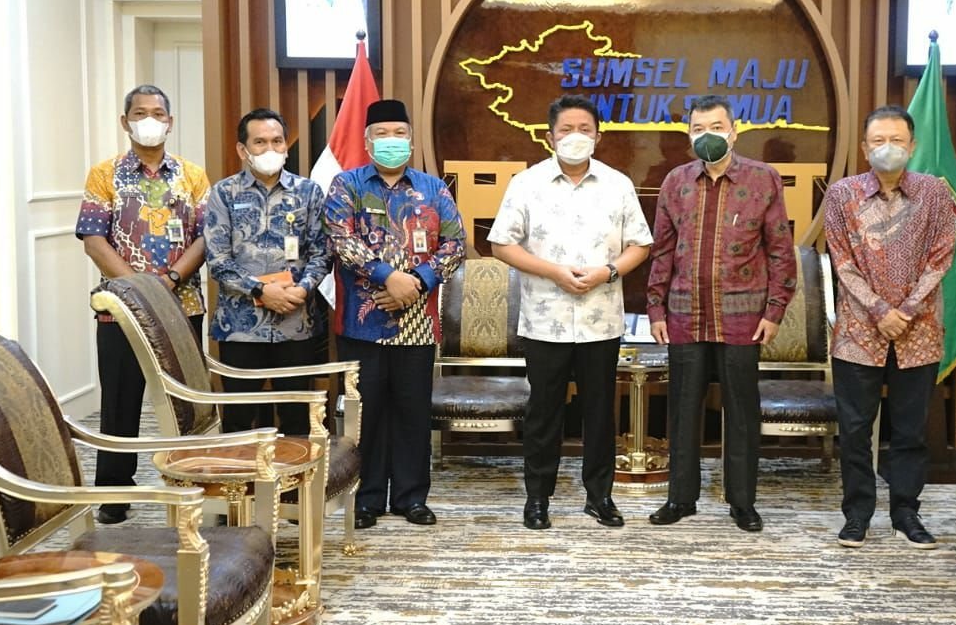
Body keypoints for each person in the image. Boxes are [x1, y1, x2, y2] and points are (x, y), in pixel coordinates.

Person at [490, 94, 652, 530]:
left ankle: (599, 496)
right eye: (566, 130)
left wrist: (608, 271)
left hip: (602, 319)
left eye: (584, 129)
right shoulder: (527, 183)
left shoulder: (618, 184)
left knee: (600, 413)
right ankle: (537, 498)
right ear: (550, 136)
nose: (575, 136)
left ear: (598, 136)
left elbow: (640, 244)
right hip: (545, 319)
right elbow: (501, 243)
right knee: (543, 413)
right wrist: (554, 272)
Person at [646, 94, 795, 533]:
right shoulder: (675, 181)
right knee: (682, 409)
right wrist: (655, 308)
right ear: (688, 134)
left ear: (734, 131)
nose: (707, 135)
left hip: (743, 316)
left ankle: (742, 502)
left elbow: (780, 251)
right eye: (698, 129)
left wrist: (776, 309)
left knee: (742, 411)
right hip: (683, 314)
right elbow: (662, 250)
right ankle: (681, 498)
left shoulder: (763, 179)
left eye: (716, 127)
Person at [324, 99, 465, 527]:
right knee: (366, 414)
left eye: (399, 133)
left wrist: (415, 283)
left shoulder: (434, 189)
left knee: (412, 411)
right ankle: (366, 499)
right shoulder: (347, 185)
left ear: (411, 139)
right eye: (382, 134)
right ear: (367, 142)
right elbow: (341, 240)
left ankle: (410, 497)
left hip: (417, 322)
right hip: (361, 323)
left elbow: (455, 245)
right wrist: (388, 278)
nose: (391, 141)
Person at [823, 104, 956, 550]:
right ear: (865, 148)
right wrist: (881, 310)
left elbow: (942, 257)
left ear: (912, 145)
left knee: (910, 431)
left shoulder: (935, 193)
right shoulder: (842, 195)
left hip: (919, 332)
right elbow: (842, 261)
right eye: (878, 140)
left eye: (897, 140)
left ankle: (906, 513)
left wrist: (907, 309)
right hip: (858, 332)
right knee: (855, 430)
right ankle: (857, 514)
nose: (888, 148)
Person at [75, 84, 210, 525]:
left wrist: (169, 280)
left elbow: (206, 238)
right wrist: (138, 289)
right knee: (120, 401)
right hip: (119, 310)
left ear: (170, 122)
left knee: (185, 402)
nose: (149, 120)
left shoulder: (193, 176)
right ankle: (115, 493)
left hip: (182, 305)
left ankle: (191, 486)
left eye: (157, 113)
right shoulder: (104, 175)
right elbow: (94, 240)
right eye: (139, 113)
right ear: (125, 121)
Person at [204, 108, 330, 434]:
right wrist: (261, 291)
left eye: (277, 141)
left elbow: (322, 253)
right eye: (260, 142)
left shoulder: (308, 192)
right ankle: (240, 470)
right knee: (239, 420)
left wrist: (302, 289)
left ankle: (294, 472)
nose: (270, 148)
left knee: (296, 420)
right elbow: (217, 260)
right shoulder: (223, 193)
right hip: (240, 327)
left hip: (296, 324)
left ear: (286, 146)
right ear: (242, 149)